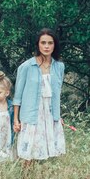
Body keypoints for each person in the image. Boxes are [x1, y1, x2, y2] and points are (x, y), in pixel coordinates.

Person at [13, 28, 66, 161]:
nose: (46, 46)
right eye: (43, 43)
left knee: (48, 151)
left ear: (55, 45)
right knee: (28, 151)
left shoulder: (59, 67)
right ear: (38, 44)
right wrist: (16, 119)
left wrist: (58, 115)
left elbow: (57, 93)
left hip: (50, 113)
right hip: (32, 113)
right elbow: (18, 96)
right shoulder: (26, 66)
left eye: (50, 43)